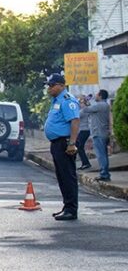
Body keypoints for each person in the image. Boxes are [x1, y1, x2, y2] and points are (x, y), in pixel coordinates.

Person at [44, 74, 80, 221]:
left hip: (65, 143)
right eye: (49, 85)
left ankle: (71, 210)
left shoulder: (67, 100)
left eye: (52, 85)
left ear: (61, 85)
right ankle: (67, 207)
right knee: (61, 177)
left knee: (68, 176)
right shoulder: (56, 100)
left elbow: (75, 121)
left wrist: (72, 143)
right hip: (56, 143)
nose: (49, 88)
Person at [82, 89, 111, 181]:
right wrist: (87, 102)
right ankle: (105, 173)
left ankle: (104, 174)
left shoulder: (100, 105)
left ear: (101, 96)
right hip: (103, 132)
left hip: (98, 133)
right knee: (104, 154)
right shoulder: (104, 105)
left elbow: (86, 109)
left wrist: (83, 101)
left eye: (97, 94)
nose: (95, 96)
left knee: (101, 155)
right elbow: (91, 109)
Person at [75, 95, 92, 170]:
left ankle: (86, 163)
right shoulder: (83, 109)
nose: (79, 103)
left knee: (79, 146)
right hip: (83, 131)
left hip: (84, 130)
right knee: (79, 146)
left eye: (80, 102)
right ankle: (85, 163)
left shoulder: (83, 110)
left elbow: (76, 116)